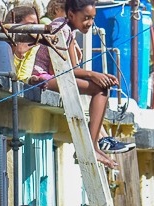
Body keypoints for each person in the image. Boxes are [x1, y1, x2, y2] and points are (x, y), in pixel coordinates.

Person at [32, 0, 132, 167]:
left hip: (55, 76)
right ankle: (91, 146)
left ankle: (93, 145)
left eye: (93, 18)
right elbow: (57, 69)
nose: (90, 23)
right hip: (42, 78)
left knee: (102, 87)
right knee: (100, 90)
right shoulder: (60, 28)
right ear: (71, 14)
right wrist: (93, 75)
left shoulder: (69, 30)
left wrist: (99, 76)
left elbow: (72, 67)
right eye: (86, 18)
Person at [7, 5, 41, 84]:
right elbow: (4, 78)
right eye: (30, 25)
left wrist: (31, 80)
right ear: (13, 23)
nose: (35, 30)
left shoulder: (33, 46)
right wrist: (17, 55)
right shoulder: (1, 43)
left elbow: (22, 77)